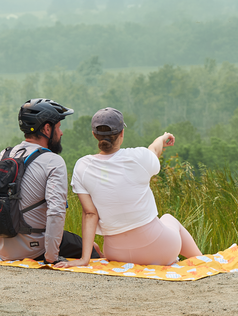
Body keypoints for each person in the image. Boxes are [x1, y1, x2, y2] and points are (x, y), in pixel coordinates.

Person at [56, 107, 203, 268]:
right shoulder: (139, 157)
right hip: (160, 250)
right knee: (168, 218)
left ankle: (202, 260)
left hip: (116, 254)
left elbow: (90, 214)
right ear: (121, 134)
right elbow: (154, 150)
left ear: (94, 135)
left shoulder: (82, 166)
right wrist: (163, 138)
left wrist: (84, 259)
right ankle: (203, 261)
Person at [0, 98, 100, 265]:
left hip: (2, 247)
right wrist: (51, 257)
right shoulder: (53, 161)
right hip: (33, 248)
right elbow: (56, 211)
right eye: (58, 127)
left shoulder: (5, 155)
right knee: (92, 249)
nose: (61, 132)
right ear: (47, 129)